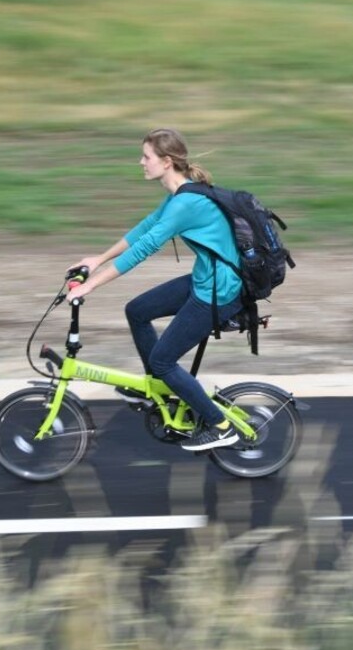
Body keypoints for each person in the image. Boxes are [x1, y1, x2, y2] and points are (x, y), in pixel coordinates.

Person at [66, 128, 243, 451]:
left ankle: (220, 425)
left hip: (220, 293)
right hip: (206, 280)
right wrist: (97, 259)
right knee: (137, 311)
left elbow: (144, 248)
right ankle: (158, 388)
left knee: (163, 360)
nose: (141, 162)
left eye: (146, 157)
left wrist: (90, 285)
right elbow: (146, 227)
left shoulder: (186, 203)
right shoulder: (179, 195)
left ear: (166, 161)